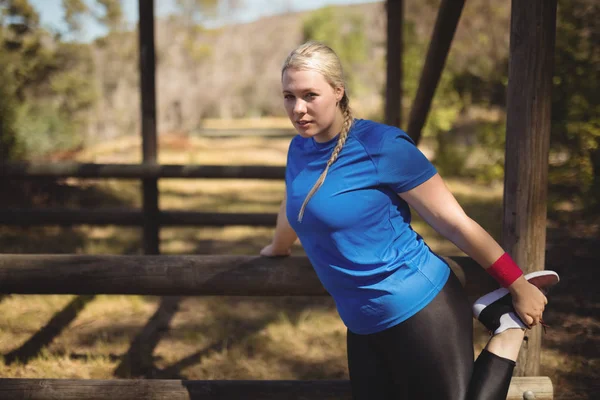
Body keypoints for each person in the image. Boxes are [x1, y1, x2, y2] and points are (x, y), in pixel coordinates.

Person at [260, 41, 559, 400]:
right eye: (289, 97)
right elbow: (295, 203)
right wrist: (278, 247)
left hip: (419, 305)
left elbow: (454, 222)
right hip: (361, 322)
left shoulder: (381, 145)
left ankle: (508, 329)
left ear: (338, 92)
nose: (298, 109)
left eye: (310, 95)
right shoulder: (299, 148)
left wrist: (518, 285)